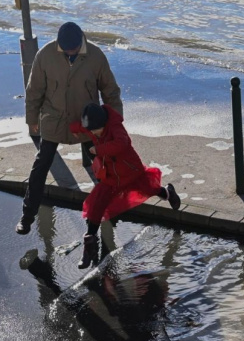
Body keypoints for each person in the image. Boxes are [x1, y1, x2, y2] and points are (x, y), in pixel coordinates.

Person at [16, 22, 123, 235]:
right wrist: (31, 119)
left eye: (73, 49)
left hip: (87, 123)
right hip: (53, 120)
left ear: (81, 41)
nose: (71, 53)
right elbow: (34, 90)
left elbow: (110, 91)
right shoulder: (45, 55)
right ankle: (27, 216)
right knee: (40, 168)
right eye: (67, 50)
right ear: (59, 44)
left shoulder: (95, 56)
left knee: (102, 170)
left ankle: (107, 211)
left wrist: (115, 122)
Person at [70, 103, 180, 269]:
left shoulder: (115, 127)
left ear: (103, 124)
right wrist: (72, 128)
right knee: (95, 206)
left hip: (130, 171)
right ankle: (89, 247)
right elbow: (82, 127)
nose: (93, 134)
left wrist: (98, 149)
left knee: (150, 189)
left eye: (95, 131)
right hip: (111, 178)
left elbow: (122, 143)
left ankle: (168, 193)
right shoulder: (94, 126)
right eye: (90, 131)